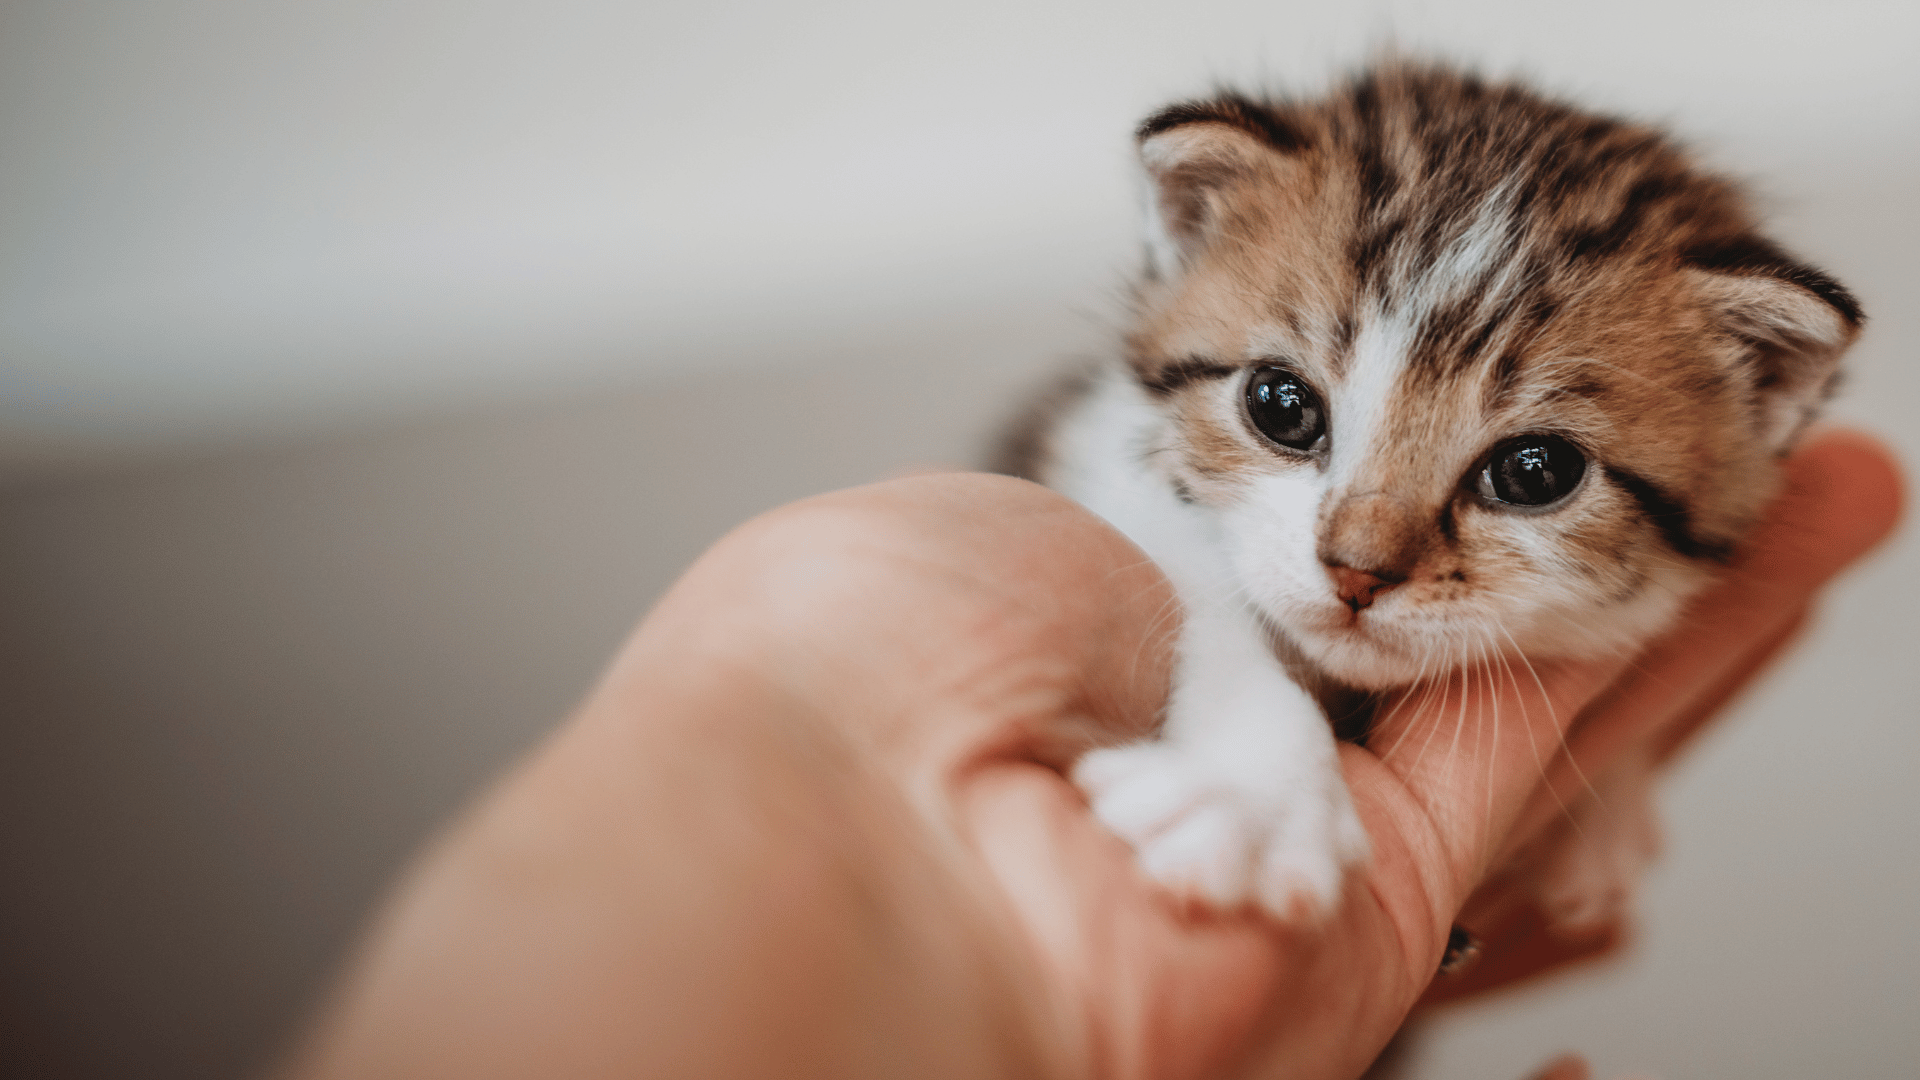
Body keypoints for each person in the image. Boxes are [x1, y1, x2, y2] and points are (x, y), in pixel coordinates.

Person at [280, 430, 1899, 1080]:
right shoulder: (1105, 501)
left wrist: (1601, 779)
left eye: (1528, 463)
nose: (1363, 547)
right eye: (1287, 404)